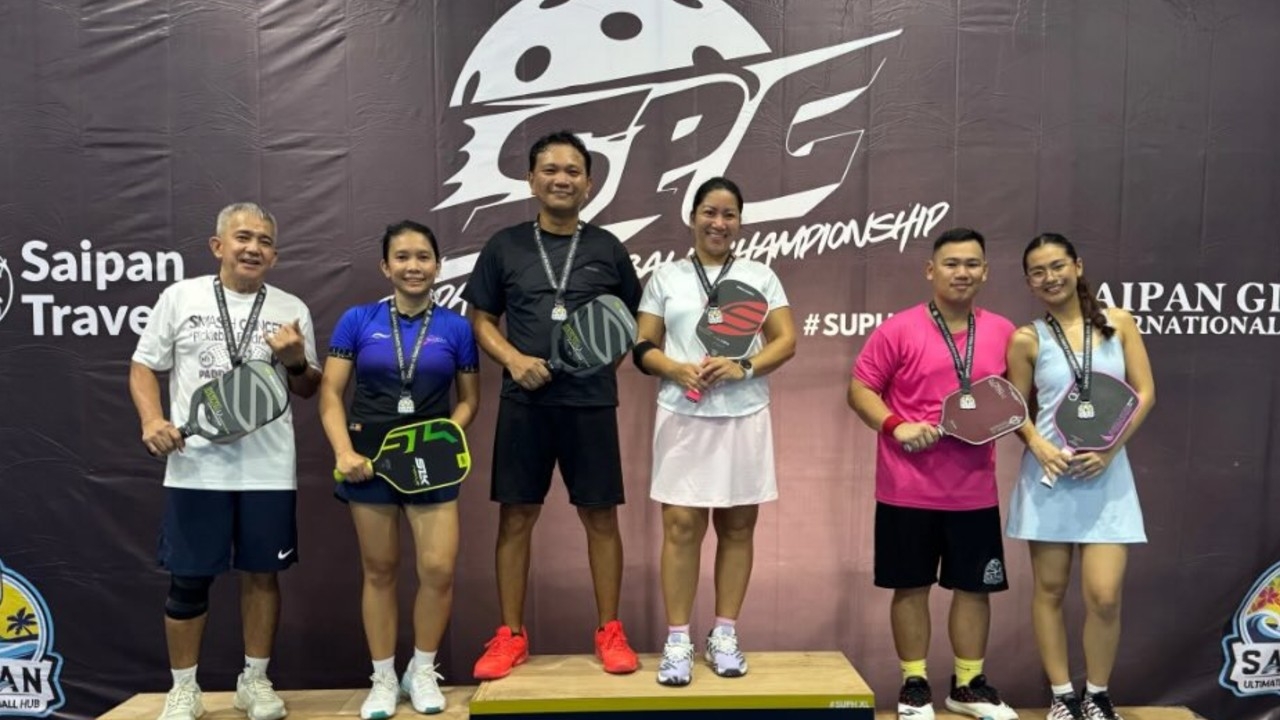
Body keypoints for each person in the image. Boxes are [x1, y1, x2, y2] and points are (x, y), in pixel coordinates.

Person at [462, 131, 643, 679]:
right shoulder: (505, 245)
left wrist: (598, 364)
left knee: (600, 516)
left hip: (590, 405)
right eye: (550, 169)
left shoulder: (608, 248)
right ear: (531, 180)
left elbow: (632, 323)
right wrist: (514, 360)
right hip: (525, 401)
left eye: (572, 171)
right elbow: (480, 320)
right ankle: (510, 635)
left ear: (588, 183)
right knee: (516, 515)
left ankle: (610, 631)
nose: (561, 179)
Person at [130, 203, 321, 720]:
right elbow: (143, 366)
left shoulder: (291, 308)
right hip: (196, 467)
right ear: (218, 246)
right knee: (188, 580)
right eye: (243, 237)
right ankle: (183, 689)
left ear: (274, 256)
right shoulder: (180, 297)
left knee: (263, 575)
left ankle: (254, 682)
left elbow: (308, 387)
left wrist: (295, 361)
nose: (253, 248)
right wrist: (152, 421)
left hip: (268, 469)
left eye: (264, 241)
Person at [846, 228, 1019, 720]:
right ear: (930, 270)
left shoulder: (1005, 332)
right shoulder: (897, 330)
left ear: (985, 272)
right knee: (911, 586)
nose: (962, 272)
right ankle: (914, 685)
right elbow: (860, 390)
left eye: (971, 264)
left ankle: (968, 686)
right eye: (951, 263)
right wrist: (896, 426)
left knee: (974, 589)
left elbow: (1017, 401)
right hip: (906, 488)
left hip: (974, 490)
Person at [632, 177, 796, 686]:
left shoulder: (760, 275)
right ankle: (678, 640)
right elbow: (643, 345)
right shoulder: (666, 277)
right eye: (709, 212)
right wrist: (674, 369)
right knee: (681, 527)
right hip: (682, 414)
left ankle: (724, 634)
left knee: (738, 527)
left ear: (740, 222)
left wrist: (743, 366)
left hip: (744, 415)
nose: (718, 223)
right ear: (692, 217)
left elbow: (786, 341)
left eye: (728, 214)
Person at [318, 221, 480, 718]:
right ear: (385, 266)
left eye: (423, 257)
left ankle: (422, 670)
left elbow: (469, 401)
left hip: (432, 463)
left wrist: (442, 438)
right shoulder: (357, 320)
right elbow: (330, 394)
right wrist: (344, 453)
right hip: (369, 463)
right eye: (403, 257)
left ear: (438, 265)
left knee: (438, 570)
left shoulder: (456, 327)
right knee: (380, 570)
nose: (414, 266)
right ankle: (384, 677)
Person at [1005, 234, 1155, 720]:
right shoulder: (1027, 339)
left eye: (1057, 266)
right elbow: (1015, 409)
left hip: (1106, 477)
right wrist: (1037, 445)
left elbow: (1144, 393)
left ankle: (1097, 694)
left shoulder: (1119, 323)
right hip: (1050, 480)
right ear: (1029, 282)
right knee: (1049, 591)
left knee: (1104, 596)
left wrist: (1109, 450)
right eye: (1038, 271)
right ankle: (1062, 696)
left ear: (1078, 266)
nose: (1050, 278)